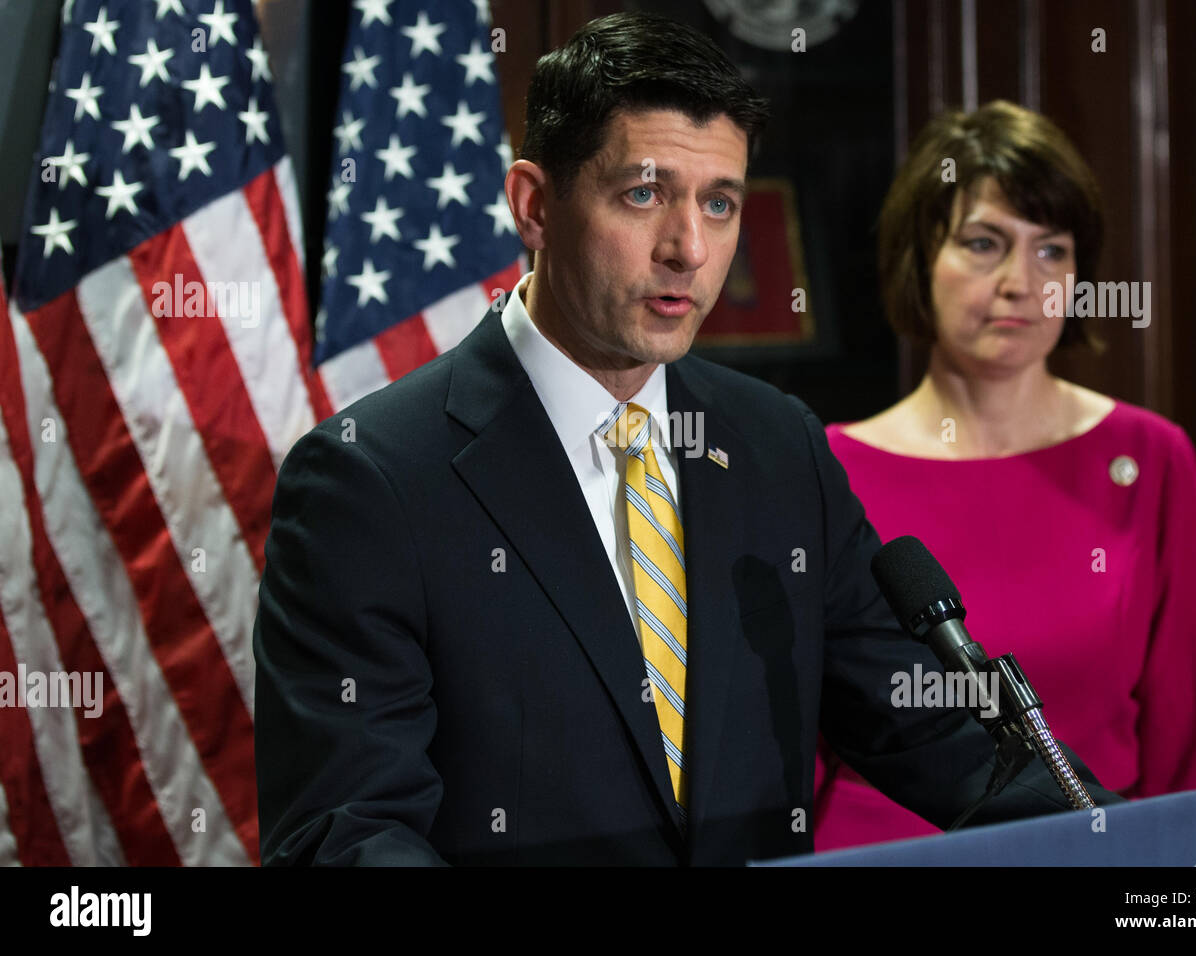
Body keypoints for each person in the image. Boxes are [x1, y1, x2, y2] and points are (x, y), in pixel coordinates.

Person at [253, 16, 1117, 866]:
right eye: (643, 194)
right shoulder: (371, 480)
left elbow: (944, 740)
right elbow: (348, 833)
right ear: (536, 206)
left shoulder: (780, 448)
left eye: (720, 202)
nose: (691, 250)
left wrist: (1170, 859)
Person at [813, 100, 1196, 851]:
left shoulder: (1149, 457)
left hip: (1094, 861)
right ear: (919, 258)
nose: (1020, 281)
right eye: (983, 243)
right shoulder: (826, 465)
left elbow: (1194, 744)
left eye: (1052, 251)